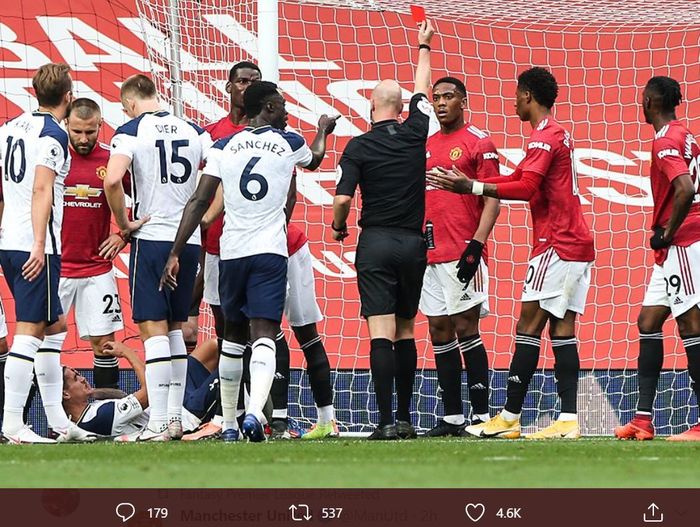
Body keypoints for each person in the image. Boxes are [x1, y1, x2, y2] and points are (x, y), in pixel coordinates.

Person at [161, 80, 337, 442]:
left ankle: (228, 424)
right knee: (265, 336)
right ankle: (255, 414)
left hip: (231, 253)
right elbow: (316, 159)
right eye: (282, 106)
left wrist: (176, 251)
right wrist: (321, 129)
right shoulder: (289, 143)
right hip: (269, 253)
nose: (287, 113)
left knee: (232, 340)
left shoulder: (223, 145)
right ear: (268, 108)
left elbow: (198, 200)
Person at [427, 67, 595, 440]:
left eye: (517, 96)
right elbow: (515, 179)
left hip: (558, 243)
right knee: (562, 330)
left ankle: (509, 417)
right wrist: (470, 187)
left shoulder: (544, 137)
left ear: (528, 97)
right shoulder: (551, 135)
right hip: (576, 242)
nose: (514, 102)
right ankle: (568, 420)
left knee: (527, 327)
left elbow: (525, 188)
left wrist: (469, 185)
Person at [332, 20, 435, 440]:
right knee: (407, 328)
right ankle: (408, 419)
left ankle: (385, 421)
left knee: (380, 332)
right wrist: (423, 46)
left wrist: (339, 226)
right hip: (413, 243)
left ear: (371, 106)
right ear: (402, 107)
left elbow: (341, 200)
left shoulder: (357, 146)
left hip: (375, 242)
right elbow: (423, 91)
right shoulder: (416, 132)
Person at [104, 74, 212, 441]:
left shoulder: (131, 130)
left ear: (131, 103)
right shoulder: (195, 130)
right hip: (189, 239)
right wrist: (203, 219)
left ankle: (158, 423)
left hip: (152, 238)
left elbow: (112, 180)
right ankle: (175, 419)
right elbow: (219, 178)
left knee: (152, 329)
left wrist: (124, 222)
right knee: (175, 327)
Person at [0, 63, 93, 443]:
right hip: (35, 245)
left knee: (55, 326)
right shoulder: (53, 135)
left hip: (10, 239)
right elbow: (42, 191)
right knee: (30, 331)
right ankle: (13, 424)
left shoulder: (8, 128)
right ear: (68, 97)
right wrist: (39, 244)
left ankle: (58, 422)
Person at [614, 76, 700, 442]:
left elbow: (685, 188)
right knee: (648, 321)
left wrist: (667, 232)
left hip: (684, 241)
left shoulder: (665, 139)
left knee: (692, 328)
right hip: (674, 249)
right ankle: (642, 420)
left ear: (649, 100)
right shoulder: (686, 134)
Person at [421, 77, 500, 437]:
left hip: (463, 250)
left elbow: (494, 199)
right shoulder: (425, 143)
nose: (440, 103)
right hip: (429, 253)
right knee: (439, 330)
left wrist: (477, 245)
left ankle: (481, 415)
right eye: (436, 97)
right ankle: (452, 416)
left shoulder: (479, 142)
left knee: (467, 328)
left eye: (448, 97)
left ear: (463, 101)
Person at [60, 98, 125, 389]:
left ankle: (107, 419)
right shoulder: (53, 156)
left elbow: (141, 201)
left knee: (105, 345)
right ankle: (30, 422)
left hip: (98, 269)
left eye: (90, 132)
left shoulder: (112, 160)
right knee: (41, 342)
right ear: (66, 125)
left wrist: (122, 233)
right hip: (56, 268)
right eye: (77, 132)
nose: (83, 139)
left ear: (101, 125)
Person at [62, 339, 221, 440]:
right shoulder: (100, 416)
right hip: (186, 416)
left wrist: (93, 392)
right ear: (65, 394)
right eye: (76, 379)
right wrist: (126, 352)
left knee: (213, 347)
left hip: (175, 399)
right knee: (227, 371)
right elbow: (150, 392)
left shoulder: (86, 416)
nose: (83, 378)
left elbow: (122, 396)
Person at [269, 224, 338, 440]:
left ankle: (280, 422)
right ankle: (324, 421)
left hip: (273, 245)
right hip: (280, 242)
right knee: (304, 335)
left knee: (267, 329)